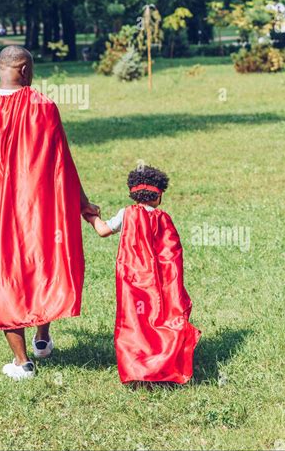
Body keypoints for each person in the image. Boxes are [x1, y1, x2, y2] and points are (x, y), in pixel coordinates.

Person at [0, 46, 99, 380]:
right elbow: (62, 161)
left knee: (3, 274)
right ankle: (42, 337)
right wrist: (82, 203)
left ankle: (23, 362)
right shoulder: (44, 106)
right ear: (23, 69)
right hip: (38, 206)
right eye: (31, 68)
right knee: (40, 262)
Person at [84, 165, 200, 385]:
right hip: (160, 283)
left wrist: (89, 214)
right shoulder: (164, 218)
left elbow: (103, 231)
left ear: (133, 193)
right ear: (159, 194)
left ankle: (138, 366)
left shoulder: (126, 213)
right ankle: (164, 363)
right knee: (160, 318)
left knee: (136, 321)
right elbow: (172, 256)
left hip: (133, 282)